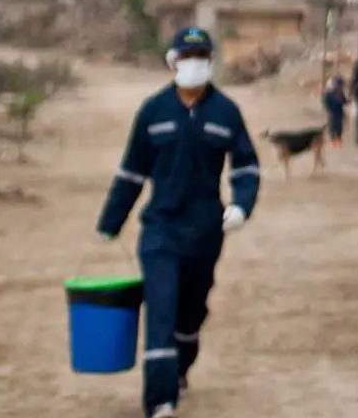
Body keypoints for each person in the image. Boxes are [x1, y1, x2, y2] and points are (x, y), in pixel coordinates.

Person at [96, 26, 259, 418]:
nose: (194, 65)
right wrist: (111, 221)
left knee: (190, 314)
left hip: (205, 231)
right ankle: (160, 401)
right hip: (160, 230)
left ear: (210, 62)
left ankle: (181, 367)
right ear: (173, 62)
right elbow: (131, 171)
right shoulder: (153, 112)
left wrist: (241, 206)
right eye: (186, 58)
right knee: (161, 310)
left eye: (201, 57)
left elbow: (247, 166)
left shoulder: (226, 112)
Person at [323, 75, 348, 148]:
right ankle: (333, 140)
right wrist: (328, 111)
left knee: (339, 126)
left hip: (339, 112)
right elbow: (326, 103)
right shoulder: (328, 93)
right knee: (333, 126)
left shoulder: (340, 93)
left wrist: (347, 102)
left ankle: (338, 139)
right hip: (332, 112)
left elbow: (344, 101)